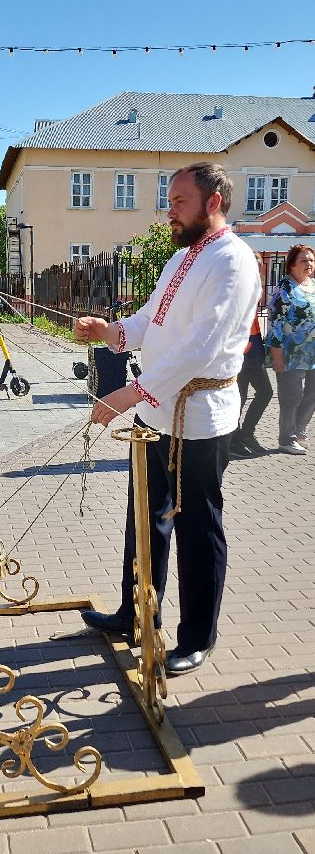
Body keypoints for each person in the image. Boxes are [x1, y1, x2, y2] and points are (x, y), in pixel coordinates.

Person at [74, 164, 260, 675]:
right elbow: (152, 322)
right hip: (159, 414)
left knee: (197, 528)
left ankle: (198, 636)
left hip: (199, 418)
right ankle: (136, 613)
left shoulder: (234, 261)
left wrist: (128, 393)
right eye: (170, 200)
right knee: (145, 518)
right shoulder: (181, 257)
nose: (169, 210)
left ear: (214, 202)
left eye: (180, 201)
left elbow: (199, 348)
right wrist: (108, 332)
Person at [264, 244, 315, 455]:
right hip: (289, 354)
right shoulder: (284, 291)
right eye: (304, 260)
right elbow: (275, 326)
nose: (309, 264)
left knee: (312, 393)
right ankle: (287, 438)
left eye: (311, 260)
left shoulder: (311, 285)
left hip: (312, 353)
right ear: (292, 264)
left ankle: (300, 431)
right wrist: (277, 357)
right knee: (291, 396)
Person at [230, 253, 273, 458]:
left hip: (255, 343)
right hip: (241, 345)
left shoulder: (254, 287)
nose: (256, 269)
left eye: (258, 265)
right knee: (240, 395)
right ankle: (232, 439)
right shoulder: (236, 286)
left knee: (265, 392)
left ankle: (245, 433)